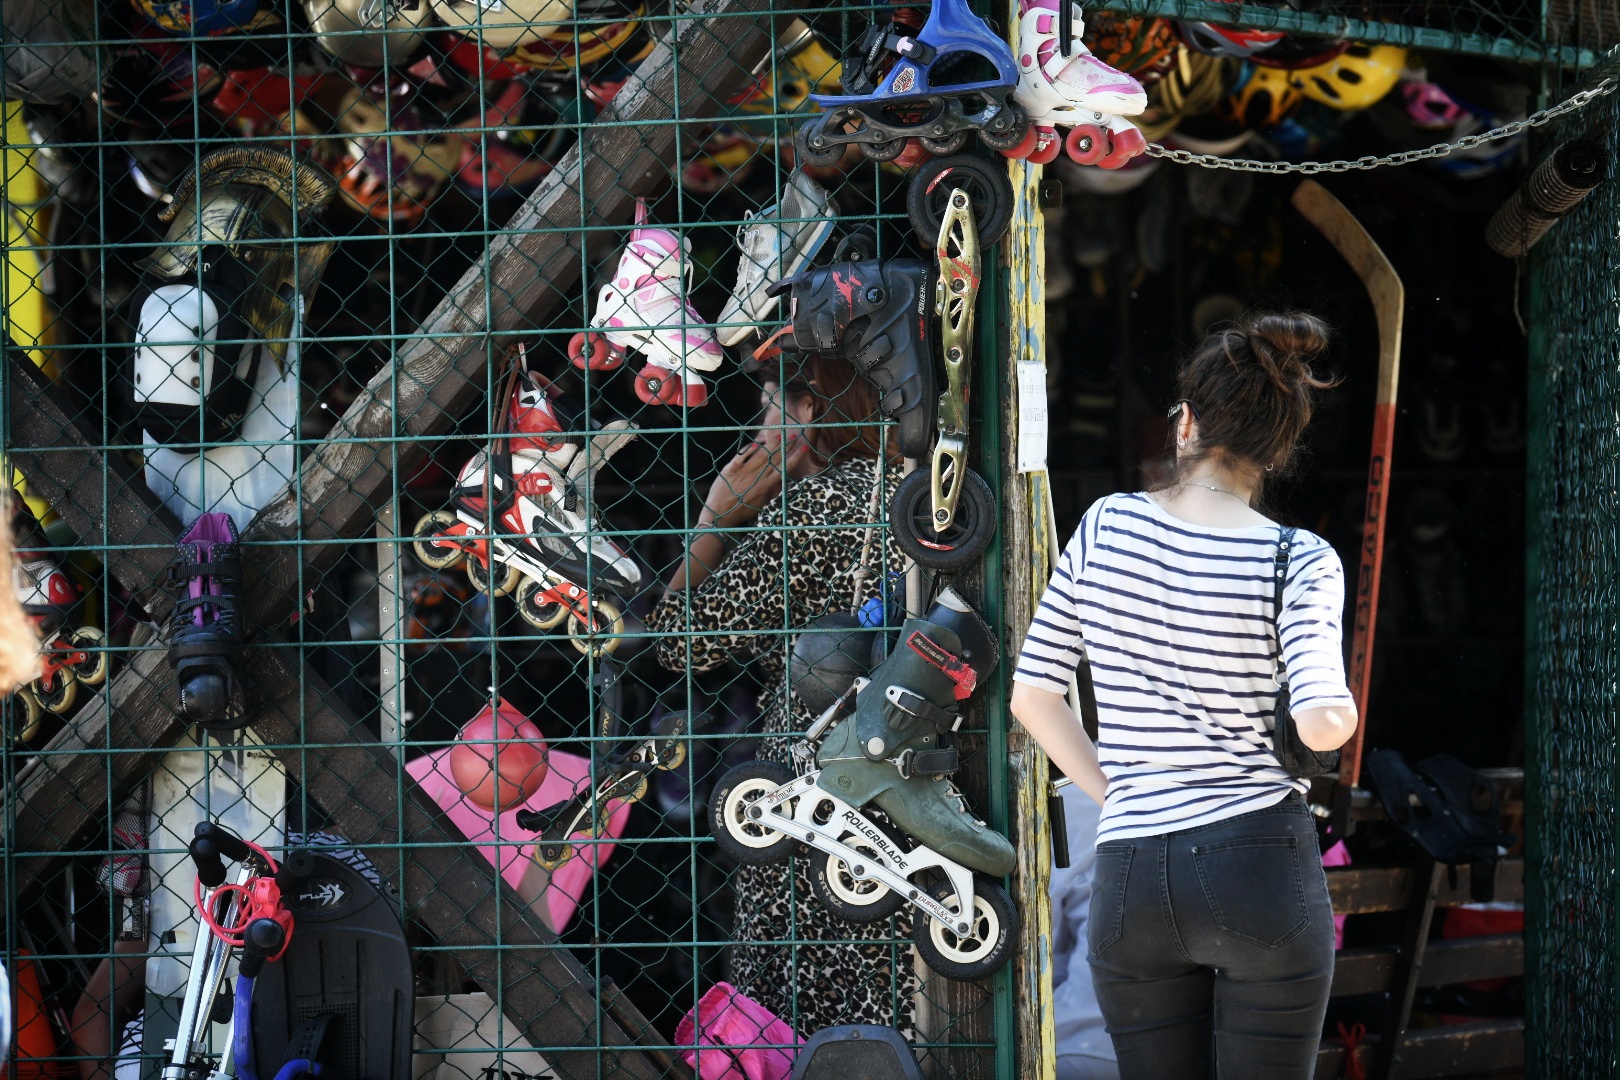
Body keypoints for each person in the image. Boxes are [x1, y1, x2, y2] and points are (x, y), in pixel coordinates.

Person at [1010, 311, 1359, 1078]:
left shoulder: (1105, 526)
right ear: (1281, 447)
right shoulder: (1299, 559)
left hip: (1131, 875)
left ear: (1186, 423)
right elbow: (1324, 721)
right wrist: (1331, 715)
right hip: (1258, 865)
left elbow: (1033, 694)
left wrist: (1121, 794)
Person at [648, 352, 909, 1037]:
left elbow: (680, 641)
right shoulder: (912, 491)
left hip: (814, 800)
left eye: (769, 406)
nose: (757, 432)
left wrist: (716, 517)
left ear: (808, 411)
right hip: (905, 786)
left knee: (804, 1022)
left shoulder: (817, 508)